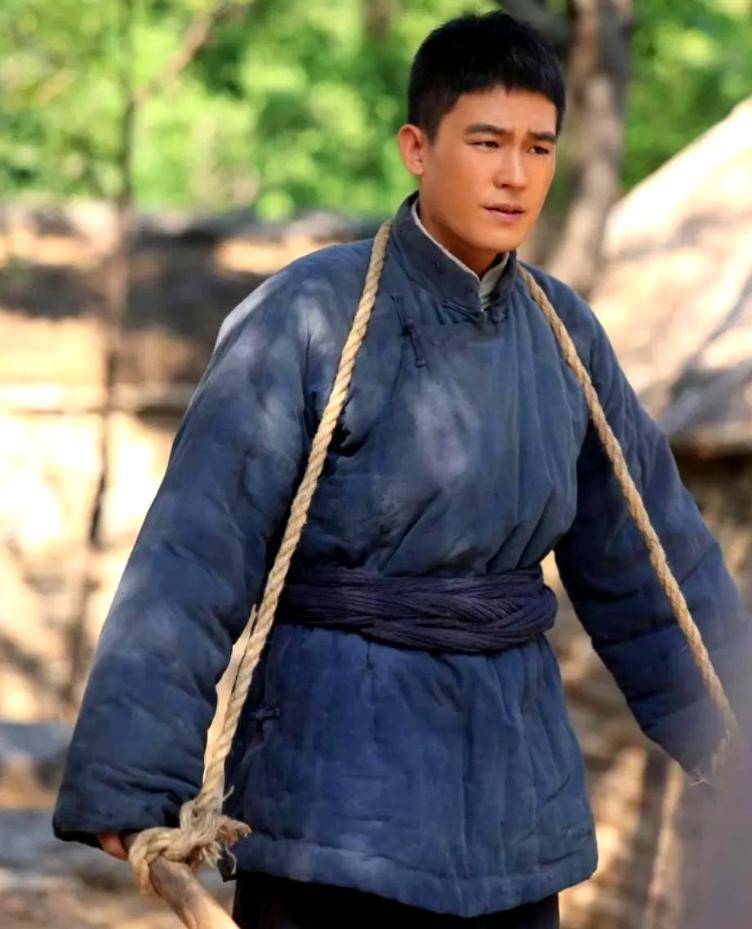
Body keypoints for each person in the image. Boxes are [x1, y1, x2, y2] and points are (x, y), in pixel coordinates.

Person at [52, 10, 752, 929]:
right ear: (417, 148)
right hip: (333, 798)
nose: (515, 174)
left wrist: (737, 737)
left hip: (512, 804)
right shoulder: (307, 314)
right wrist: (133, 772)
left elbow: (654, 558)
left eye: (539, 147)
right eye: (487, 141)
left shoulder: (565, 335)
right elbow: (196, 548)